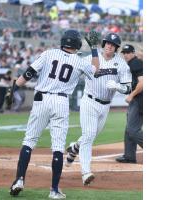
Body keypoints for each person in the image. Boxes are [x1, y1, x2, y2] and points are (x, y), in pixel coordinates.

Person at [8, 29, 100, 199]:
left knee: (29, 140)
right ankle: (54, 190)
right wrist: (94, 48)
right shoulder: (79, 61)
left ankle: (19, 180)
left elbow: (28, 73)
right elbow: (95, 70)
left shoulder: (49, 53)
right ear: (78, 44)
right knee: (57, 146)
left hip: (41, 99)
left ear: (63, 41)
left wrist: (13, 89)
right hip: (61, 102)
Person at [65, 33, 132, 185]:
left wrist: (118, 87)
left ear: (116, 48)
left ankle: (74, 147)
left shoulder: (121, 64)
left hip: (105, 105)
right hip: (89, 101)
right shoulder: (90, 59)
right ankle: (86, 172)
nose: (109, 46)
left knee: (91, 136)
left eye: (113, 44)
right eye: (107, 43)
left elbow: (128, 88)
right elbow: (74, 67)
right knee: (88, 135)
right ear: (103, 44)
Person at [115, 44, 143, 163]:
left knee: (132, 130)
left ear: (133, 53)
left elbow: (143, 82)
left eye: (127, 52)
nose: (125, 55)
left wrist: (131, 95)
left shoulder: (135, 63)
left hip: (140, 99)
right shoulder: (132, 63)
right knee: (128, 129)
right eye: (124, 53)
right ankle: (129, 156)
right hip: (138, 99)